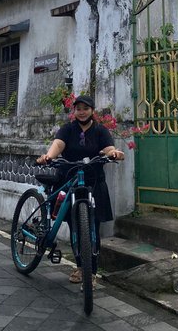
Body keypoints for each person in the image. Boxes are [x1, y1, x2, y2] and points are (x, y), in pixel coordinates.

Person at [37, 95, 124, 287]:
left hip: (94, 182)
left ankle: (91, 272)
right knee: (75, 224)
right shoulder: (68, 129)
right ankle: (79, 266)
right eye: (78, 109)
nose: (82, 112)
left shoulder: (101, 131)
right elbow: (58, 145)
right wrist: (49, 157)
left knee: (93, 226)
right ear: (74, 111)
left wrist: (114, 154)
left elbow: (109, 148)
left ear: (92, 110)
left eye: (86, 108)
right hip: (69, 179)